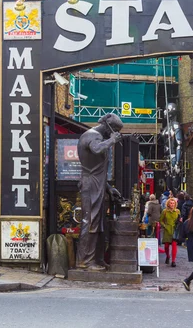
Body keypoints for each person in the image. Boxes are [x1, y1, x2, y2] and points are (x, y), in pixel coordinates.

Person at [76, 113, 124, 271]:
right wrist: (112, 140)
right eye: (115, 129)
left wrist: (109, 188)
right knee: (89, 222)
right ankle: (84, 262)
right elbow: (96, 149)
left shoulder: (99, 137)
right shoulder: (91, 136)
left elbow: (98, 169)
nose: (115, 133)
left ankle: (97, 258)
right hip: (90, 185)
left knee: (99, 224)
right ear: (108, 126)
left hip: (99, 185)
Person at [160, 197, 181, 267]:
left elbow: (179, 219)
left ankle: (173, 261)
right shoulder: (164, 211)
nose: (172, 204)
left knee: (174, 245)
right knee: (166, 246)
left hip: (174, 230)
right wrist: (165, 226)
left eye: (173, 203)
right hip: (167, 230)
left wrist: (180, 222)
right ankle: (168, 256)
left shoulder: (177, 211)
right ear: (168, 204)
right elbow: (161, 220)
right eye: (171, 203)